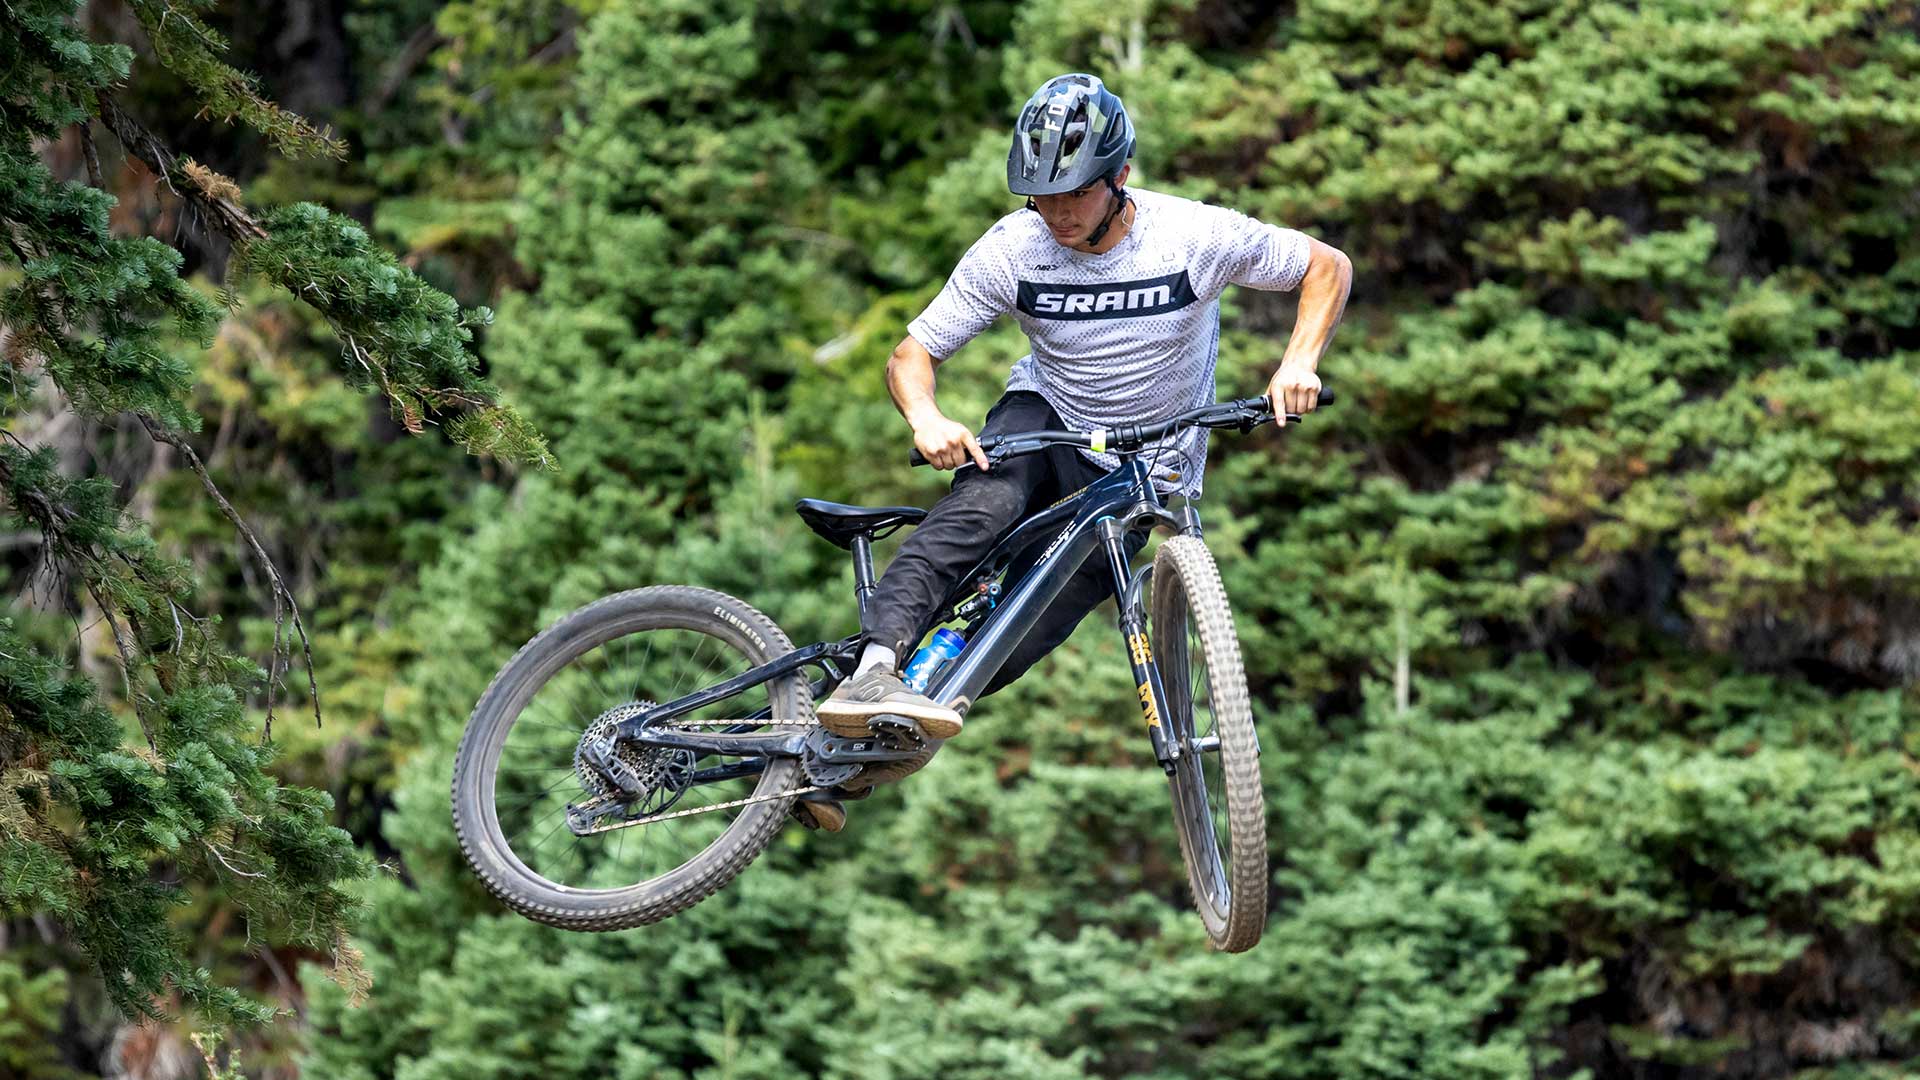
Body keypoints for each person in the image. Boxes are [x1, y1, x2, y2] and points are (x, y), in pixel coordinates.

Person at [796, 72, 1351, 830]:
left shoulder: (1196, 237)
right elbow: (911, 354)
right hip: (1049, 420)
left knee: (1015, 643)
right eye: (1040, 196)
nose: (1054, 213)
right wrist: (925, 416)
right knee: (981, 504)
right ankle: (871, 674)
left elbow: (1326, 266)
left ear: (1119, 177)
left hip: (1146, 465)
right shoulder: (1013, 250)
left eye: (1073, 195)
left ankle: (862, 749)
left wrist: (1297, 362)